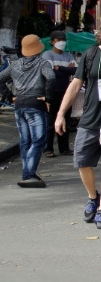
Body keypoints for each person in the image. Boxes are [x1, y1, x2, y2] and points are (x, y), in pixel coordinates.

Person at [55, 20, 101, 228]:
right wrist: (61, 114)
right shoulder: (91, 54)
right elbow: (76, 85)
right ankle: (93, 196)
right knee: (82, 161)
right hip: (90, 118)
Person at [0, 35, 56, 188]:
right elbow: (51, 78)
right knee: (38, 140)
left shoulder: (15, 65)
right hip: (36, 104)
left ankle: (28, 173)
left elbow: (0, 78)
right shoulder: (42, 63)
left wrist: (9, 96)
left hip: (19, 105)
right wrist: (48, 97)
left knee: (25, 141)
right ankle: (28, 174)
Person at [41, 30, 77, 158]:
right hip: (52, 91)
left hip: (66, 91)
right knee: (51, 121)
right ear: (52, 42)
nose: (62, 42)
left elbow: (75, 70)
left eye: (63, 40)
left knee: (65, 120)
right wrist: (66, 70)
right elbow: (51, 73)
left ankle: (64, 148)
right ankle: (48, 148)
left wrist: (59, 68)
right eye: (58, 40)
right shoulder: (47, 55)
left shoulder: (68, 55)